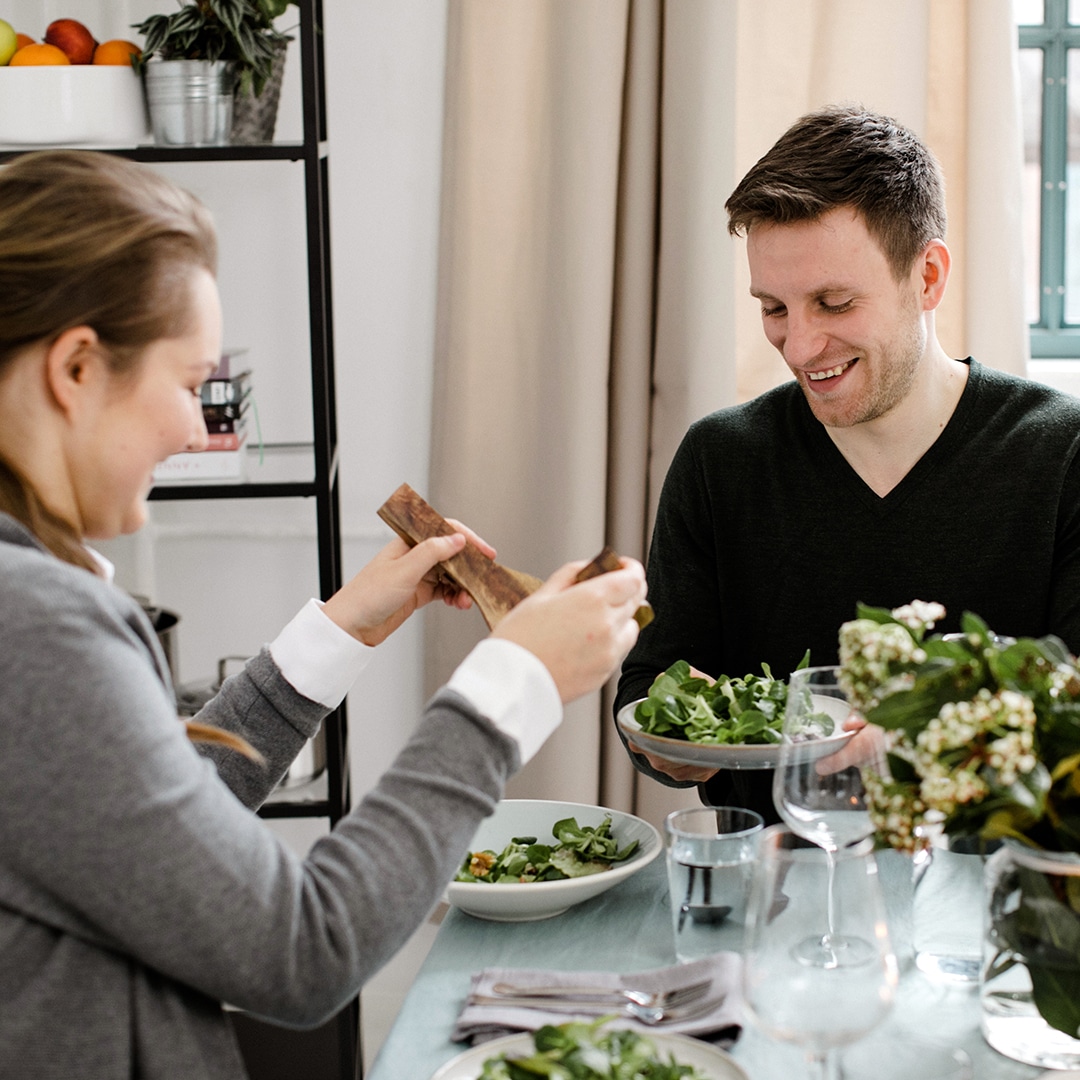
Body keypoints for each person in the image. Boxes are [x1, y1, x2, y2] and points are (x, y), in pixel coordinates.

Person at [0, 150, 648, 1079]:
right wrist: (515, 686)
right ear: (75, 367)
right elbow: (302, 952)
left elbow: (144, 843)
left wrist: (340, 631)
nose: (197, 429)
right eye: (190, 384)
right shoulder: (35, 629)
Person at [614, 103, 1080, 822]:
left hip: (1000, 888)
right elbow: (648, 687)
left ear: (926, 277)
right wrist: (674, 733)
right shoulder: (721, 460)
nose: (799, 348)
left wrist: (941, 727)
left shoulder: (1061, 451)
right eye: (774, 308)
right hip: (771, 890)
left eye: (833, 302)